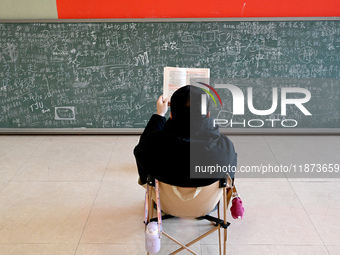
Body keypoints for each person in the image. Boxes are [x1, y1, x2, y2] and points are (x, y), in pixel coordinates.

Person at [134, 85, 237, 187]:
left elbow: (140, 150)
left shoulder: (152, 145)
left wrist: (159, 115)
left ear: (171, 115)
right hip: (207, 202)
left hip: (165, 200)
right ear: (208, 114)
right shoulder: (225, 147)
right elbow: (229, 176)